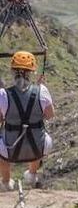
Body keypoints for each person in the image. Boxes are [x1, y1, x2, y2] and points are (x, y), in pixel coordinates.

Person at [0, 51, 55, 190]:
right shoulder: (41, 91)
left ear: (12, 71)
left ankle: (6, 182)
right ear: (32, 71)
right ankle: (32, 174)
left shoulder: (3, 95)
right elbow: (50, 115)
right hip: (37, 148)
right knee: (42, 137)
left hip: (10, 149)